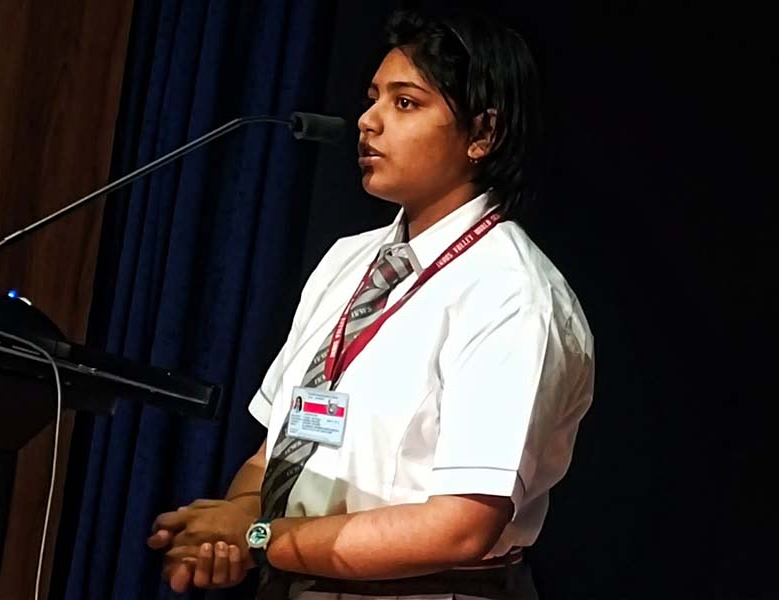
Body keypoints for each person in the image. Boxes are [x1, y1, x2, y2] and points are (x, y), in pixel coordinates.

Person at [148, 9, 594, 600]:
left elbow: (460, 527)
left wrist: (258, 539)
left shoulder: (509, 294)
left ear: (483, 134)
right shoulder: (348, 260)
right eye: (372, 99)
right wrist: (229, 531)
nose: (367, 121)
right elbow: (272, 454)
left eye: (405, 103)